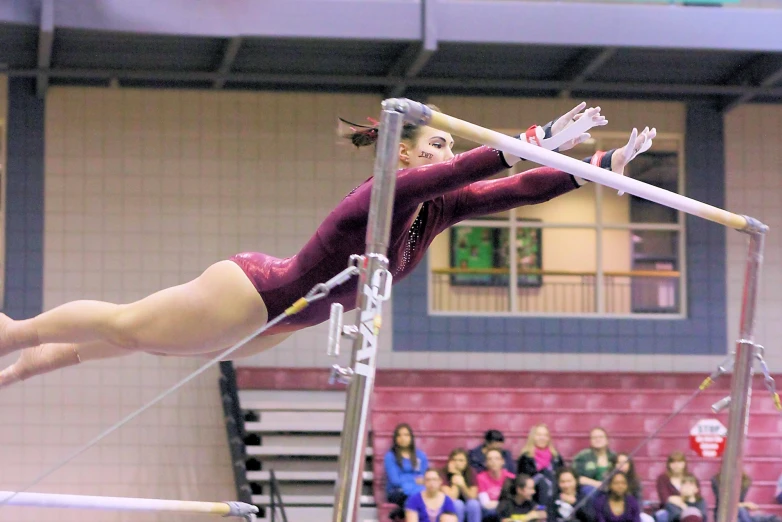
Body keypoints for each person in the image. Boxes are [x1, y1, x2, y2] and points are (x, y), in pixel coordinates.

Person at [0, 101, 655, 386]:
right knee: (129, 326)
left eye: (449, 144)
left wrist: (590, 170)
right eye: (437, 141)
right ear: (402, 154)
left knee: (145, 342)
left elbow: (515, 192)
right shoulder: (381, 194)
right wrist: (531, 140)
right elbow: (463, 171)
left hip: (283, 315)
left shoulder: (438, 208)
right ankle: (17, 333)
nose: (447, 154)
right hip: (257, 294)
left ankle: (29, 364)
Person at [517, 423, 564, 506]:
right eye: (539, 435)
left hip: (554, 488)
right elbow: (522, 478)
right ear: (533, 437)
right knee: (542, 478)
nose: (542, 438)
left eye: (545, 435)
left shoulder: (556, 457)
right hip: (534, 492)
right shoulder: (526, 457)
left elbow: (561, 474)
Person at [385, 423, 429, 507]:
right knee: (416, 498)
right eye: (399, 435)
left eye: (406, 435)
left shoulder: (421, 456)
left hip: (418, 490)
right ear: (395, 439)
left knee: (424, 496)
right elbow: (395, 481)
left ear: (411, 438)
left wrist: (408, 480)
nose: (403, 438)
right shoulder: (390, 456)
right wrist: (414, 479)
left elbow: (423, 478)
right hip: (397, 492)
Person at [441, 448, 482, 522]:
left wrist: (462, 485)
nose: (457, 463)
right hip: (448, 505)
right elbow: (451, 497)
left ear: (466, 462)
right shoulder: (443, 473)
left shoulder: (471, 472)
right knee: (457, 504)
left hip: (468, 502)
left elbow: (472, 496)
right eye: (454, 460)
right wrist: (456, 475)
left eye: (461, 460)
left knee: (474, 504)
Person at [573, 427, 617, 495]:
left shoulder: (615, 457)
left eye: (601, 437)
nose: (598, 439)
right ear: (590, 441)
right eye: (594, 437)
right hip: (590, 490)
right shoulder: (582, 456)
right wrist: (597, 484)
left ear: (607, 440)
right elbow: (576, 477)